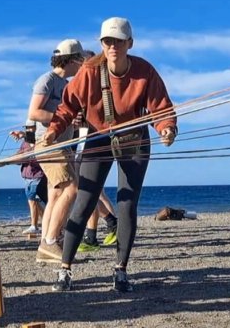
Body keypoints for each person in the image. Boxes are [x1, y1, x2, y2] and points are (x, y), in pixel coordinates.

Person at [43, 17, 177, 292]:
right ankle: (65, 270)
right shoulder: (90, 72)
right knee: (83, 202)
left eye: (118, 41)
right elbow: (67, 107)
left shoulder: (144, 72)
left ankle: (121, 270)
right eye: (107, 41)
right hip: (98, 139)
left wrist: (167, 129)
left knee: (127, 203)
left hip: (134, 141)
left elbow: (161, 108)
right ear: (102, 44)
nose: (112, 46)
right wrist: (53, 132)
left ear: (130, 42)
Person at [29, 40, 86, 264]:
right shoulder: (47, 80)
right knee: (72, 188)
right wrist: (64, 120)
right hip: (48, 143)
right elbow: (34, 112)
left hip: (63, 144)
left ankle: (48, 243)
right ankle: (50, 241)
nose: (82, 65)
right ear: (72, 60)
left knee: (54, 194)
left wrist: (74, 120)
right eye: (80, 60)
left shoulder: (65, 84)